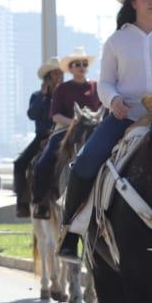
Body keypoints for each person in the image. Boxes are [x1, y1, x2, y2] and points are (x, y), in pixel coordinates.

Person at [57, 0, 152, 259]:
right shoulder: (116, 41)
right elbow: (105, 82)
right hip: (124, 118)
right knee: (84, 163)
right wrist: (114, 99)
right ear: (133, 2)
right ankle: (70, 232)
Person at [31, 48, 100, 218]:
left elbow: (101, 109)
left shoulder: (95, 87)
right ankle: (41, 203)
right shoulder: (62, 89)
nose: (82, 67)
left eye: (84, 64)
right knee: (44, 162)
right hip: (65, 130)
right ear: (70, 68)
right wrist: (74, 123)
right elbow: (55, 116)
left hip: (93, 129)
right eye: (77, 64)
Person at [14, 57, 63, 219]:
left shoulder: (65, 94)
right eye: (55, 74)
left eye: (60, 74)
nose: (59, 78)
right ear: (47, 78)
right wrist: (44, 95)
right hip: (41, 137)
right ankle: (23, 204)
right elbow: (32, 114)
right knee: (20, 164)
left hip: (62, 134)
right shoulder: (37, 96)